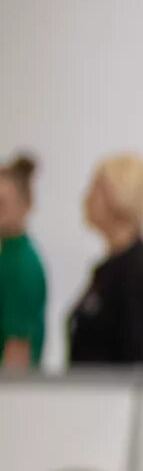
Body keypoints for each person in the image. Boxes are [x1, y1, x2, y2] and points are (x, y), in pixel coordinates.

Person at [68, 153, 143, 367]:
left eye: (96, 189)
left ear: (119, 195)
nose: (86, 198)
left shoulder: (140, 276)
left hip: (108, 399)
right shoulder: (107, 271)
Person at [0, 154, 47, 370]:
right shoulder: (7, 255)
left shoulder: (22, 265)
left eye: (2, 204)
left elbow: (18, 351)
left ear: (25, 204)